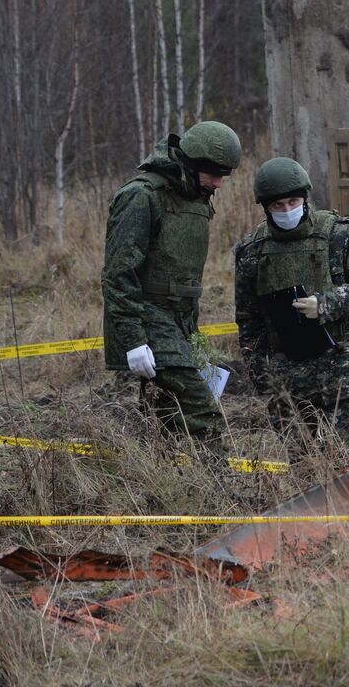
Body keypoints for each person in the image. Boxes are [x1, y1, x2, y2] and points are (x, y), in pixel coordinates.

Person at [102, 121, 242, 451]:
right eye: (213, 173)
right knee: (201, 408)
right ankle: (224, 495)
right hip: (148, 318)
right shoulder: (141, 196)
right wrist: (134, 340)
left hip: (182, 322)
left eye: (225, 175)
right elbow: (118, 274)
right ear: (190, 164)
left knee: (163, 412)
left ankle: (161, 485)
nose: (219, 183)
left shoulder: (196, 196)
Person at [236, 158, 349, 446]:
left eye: (293, 201)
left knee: (347, 465)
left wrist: (326, 303)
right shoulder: (252, 250)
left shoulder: (339, 233)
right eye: (278, 205)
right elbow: (248, 320)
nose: (287, 210)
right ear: (265, 206)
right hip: (288, 375)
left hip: (342, 368)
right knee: (302, 464)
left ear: (305, 197)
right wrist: (262, 376)